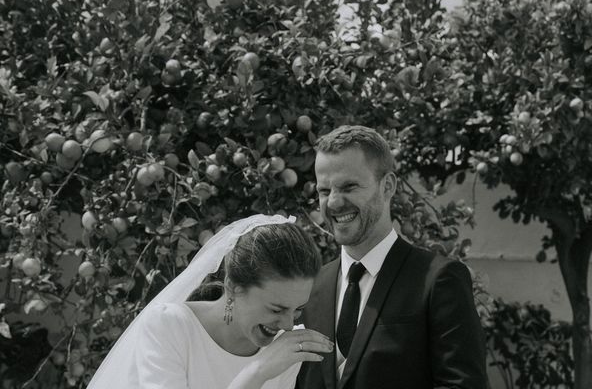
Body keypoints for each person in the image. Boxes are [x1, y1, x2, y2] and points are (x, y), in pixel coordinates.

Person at [296, 125, 487, 389]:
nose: (334, 203)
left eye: (349, 186)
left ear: (388, 186)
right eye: (324, 191)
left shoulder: (439, 280)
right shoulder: (310, 286)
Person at [88, 214, 333, 389]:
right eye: (276, 309)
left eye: (298, 310)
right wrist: (257, 372)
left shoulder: (284, 348)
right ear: (234, 287)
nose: (288, 325)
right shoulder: (169, 326)